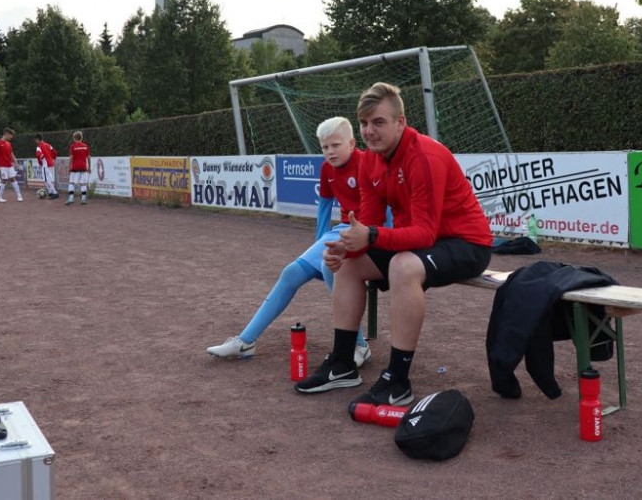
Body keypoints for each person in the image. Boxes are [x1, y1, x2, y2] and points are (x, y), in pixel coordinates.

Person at [295, 82, 493, 407]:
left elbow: (424, 234)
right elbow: (369, 221)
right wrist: (347, 248)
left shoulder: (424, 156)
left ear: (400, 122)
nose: (369, 131)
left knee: (403, 265)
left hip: (466, 244)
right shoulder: (370, 160)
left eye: (378, 122)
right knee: (349, 265)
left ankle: (398, 382)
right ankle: (343, 364)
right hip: (419, 243)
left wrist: (371, 236)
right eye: (364, 123)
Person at [207, 117, 372, 367]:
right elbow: (324, 207)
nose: (330, 151)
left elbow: (385, 209)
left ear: (351, 143)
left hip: (366, 230)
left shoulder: (367, 164)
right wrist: (319, 243)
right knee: (291, 272)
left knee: (330, 268)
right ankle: (245, 341)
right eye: (325, 147)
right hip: (340, 232)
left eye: (336, 145)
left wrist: (373, 236)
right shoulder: (326, 169)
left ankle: (359, 346)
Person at [0, 127, 23, 203]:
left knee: (13, 179)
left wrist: (16, 163)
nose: (11, 137)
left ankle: (19, 196)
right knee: (3, 180)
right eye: (10, 135)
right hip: (2, 166)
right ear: (6, 134)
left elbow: (11, 154)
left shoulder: (9, 144)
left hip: (9, 165)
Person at [66, 131, 91, 205]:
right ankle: (83, 199)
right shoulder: (86, 146)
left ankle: (71, 199)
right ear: (81, 138)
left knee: (71, 182)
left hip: (75, 167)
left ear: (74, 138)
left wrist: (69, 167)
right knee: (83, 183)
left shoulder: (73, 146)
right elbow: (89, 157)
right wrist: (89, 167)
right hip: (83, 167)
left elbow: (71, 157)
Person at [34, 134, 59, 199]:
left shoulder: (39, 147)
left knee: (47, 179)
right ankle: (50, 192)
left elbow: (39, 155)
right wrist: (51, 158)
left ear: (38, 139)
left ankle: (55, 193)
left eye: (36, 140)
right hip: (51, 163)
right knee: (47, 179)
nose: (35, 141)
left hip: (45, 164)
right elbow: (54, 153)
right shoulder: (48, 145)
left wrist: (41, 162)